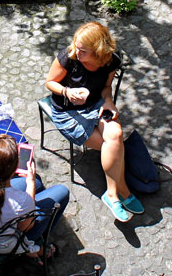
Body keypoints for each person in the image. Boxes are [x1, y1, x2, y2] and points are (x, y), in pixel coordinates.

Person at [45, 21, 143, 222]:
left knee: (115, 136)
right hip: (67, 111)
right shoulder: (69, 58)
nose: (76, 53)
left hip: (95, 104)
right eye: (75, 46)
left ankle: (112, 194)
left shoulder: (110, 61)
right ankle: (122, 190)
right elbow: (50, 83)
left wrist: (109, 102)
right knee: (113, 147)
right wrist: (67, 91)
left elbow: (106, 88)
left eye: (83, 51)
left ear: (99, 51)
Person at [0, 134, 69, 258]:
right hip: (3, 246)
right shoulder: (21, 201)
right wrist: (31, 182)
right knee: (62, 192)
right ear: (14, 171)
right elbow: (26, 227)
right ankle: (35, 248)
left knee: (38, 183)